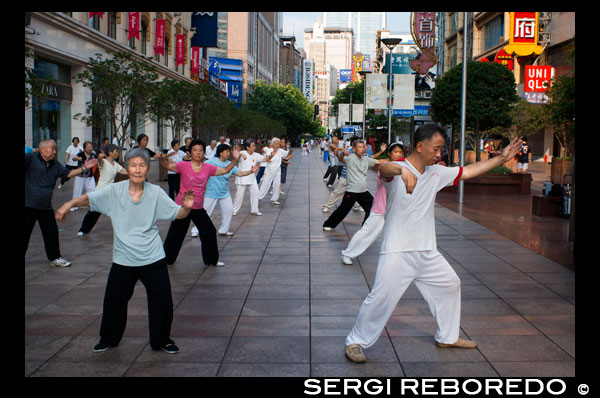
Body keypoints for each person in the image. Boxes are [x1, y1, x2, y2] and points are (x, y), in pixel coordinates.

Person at [343, 124, 523, 363]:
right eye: (436, 148)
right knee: (381, 298)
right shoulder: (396, 172)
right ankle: (355, 341)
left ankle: (447, 337)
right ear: (420, 146)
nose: (440, 154)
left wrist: (501, 158)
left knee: (450, 284)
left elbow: (468, 172)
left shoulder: (437, 173)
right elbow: (383, 167)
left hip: (427, 251)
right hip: (397, 250)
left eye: (441, 149)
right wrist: (400, 170)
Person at [55, 147, 195, 354]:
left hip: (152, 257)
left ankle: (162, 340)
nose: (138, 170)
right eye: (133, 165)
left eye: (142, 165)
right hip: (123, 258)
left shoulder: (155, 192)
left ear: (147, 169)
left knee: (163, 301)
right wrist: (68, 203)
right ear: (127, 168)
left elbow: (178, 214)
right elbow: (89, 199)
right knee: (114, 301)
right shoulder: (114, 191)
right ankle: (108, 339)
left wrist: (187, 207)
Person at [159, 139, 240, 267]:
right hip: (183, 206)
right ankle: (167, 260)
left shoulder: (208, 168)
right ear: (190, 152)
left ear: (204, 152)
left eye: (200, 150)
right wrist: (161, 158)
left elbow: (224, 170)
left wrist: (235, 160)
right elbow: (168, 166)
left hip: (197, 207)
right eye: (195, 150)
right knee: (176, 234)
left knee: (209, 231)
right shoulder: (183, 165)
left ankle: (211, 260)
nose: (198, 153)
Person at [25, 139, 98, 267]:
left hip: (45, 206)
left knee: (51, 233)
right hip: (28, 205)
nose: (54, 152)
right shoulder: (30, 158)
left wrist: (84, 168)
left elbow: (68, 173)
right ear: (42, 149)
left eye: (55, 149)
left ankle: (55, 258)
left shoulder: (55, 164)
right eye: (52, 149)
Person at [340, 142, 404, 265]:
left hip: (396, 207)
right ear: (389, 154)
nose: (398, 154)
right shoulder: (385, 167)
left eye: (400, 152)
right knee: (368, 232)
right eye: (395, 152)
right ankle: (347, 253)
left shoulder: (404, 167)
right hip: (381, 206)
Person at [191, 144, 258, 237]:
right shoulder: (212, 162)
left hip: (224, 192)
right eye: (226, 151)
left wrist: (251, 171)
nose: (228, 153)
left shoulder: (229, 164)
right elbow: (200, 168)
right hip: (211, 192)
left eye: (229, 151)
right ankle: (196, 230)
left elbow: (240, 173)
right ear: (221, 153)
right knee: (205, 212)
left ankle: (224, 230)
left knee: (229, 210)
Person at [322, 139, 387, 231]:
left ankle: (366, 226)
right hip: (352, 191)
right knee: (343, 210)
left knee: (372, 206)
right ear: (354, 148)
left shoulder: (366, 159)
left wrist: (394, 159)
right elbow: (340, 158)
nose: (362, 149)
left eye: (363, 147)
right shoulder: (350, 158)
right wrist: (344, 153)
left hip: (363, 191)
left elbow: (379, 161)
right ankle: (328, 224)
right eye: (359, 147)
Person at [77, 144, 129, 236]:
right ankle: (83, 230)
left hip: (111, 192)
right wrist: (100, 158)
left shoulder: (115, 164)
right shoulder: (104, 162)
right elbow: (100, 162)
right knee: (94, 212)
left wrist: (134, 172)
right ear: (110, 152)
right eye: (116, 151)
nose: (117, 153)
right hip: (101, 191)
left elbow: (124, 171)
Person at [233, 139, 265, 216]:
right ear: (247, 147)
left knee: (255, 193)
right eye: (253, 146)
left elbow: (264, 159)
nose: (254, 147)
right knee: (239, 196)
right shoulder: (243, 153)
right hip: (242, 177)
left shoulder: (256, 155)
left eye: (254, 145)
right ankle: (234, 210)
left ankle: (254, 210)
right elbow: (235, 155)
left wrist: (270, 156)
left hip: (252, 178)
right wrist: (241, 155)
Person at [258, 137, 289, 206]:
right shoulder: (270, 150)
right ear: (272, 144)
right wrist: (270, 157)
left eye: (278, 144)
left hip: (277, 171)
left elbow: (287, 154)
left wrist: (288, 148)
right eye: (275, 144)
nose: (277, 145)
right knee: (265, 184)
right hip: (269, 170)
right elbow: (267, 158)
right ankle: (258, 197)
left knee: (277, 185)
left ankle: (274, 199)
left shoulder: (280, 151)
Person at [70, 141, 97, 212]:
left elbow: (97, 162)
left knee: (92, 190)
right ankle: (74, 206)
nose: (90, 148)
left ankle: (93, 205)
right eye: (88, 147)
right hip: (80, 176)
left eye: (91, 147)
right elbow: (74, 158)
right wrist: (77, 158)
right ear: (84, 148)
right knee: (77, 191)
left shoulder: (93, 155)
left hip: (90, 176)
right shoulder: (80, 154)